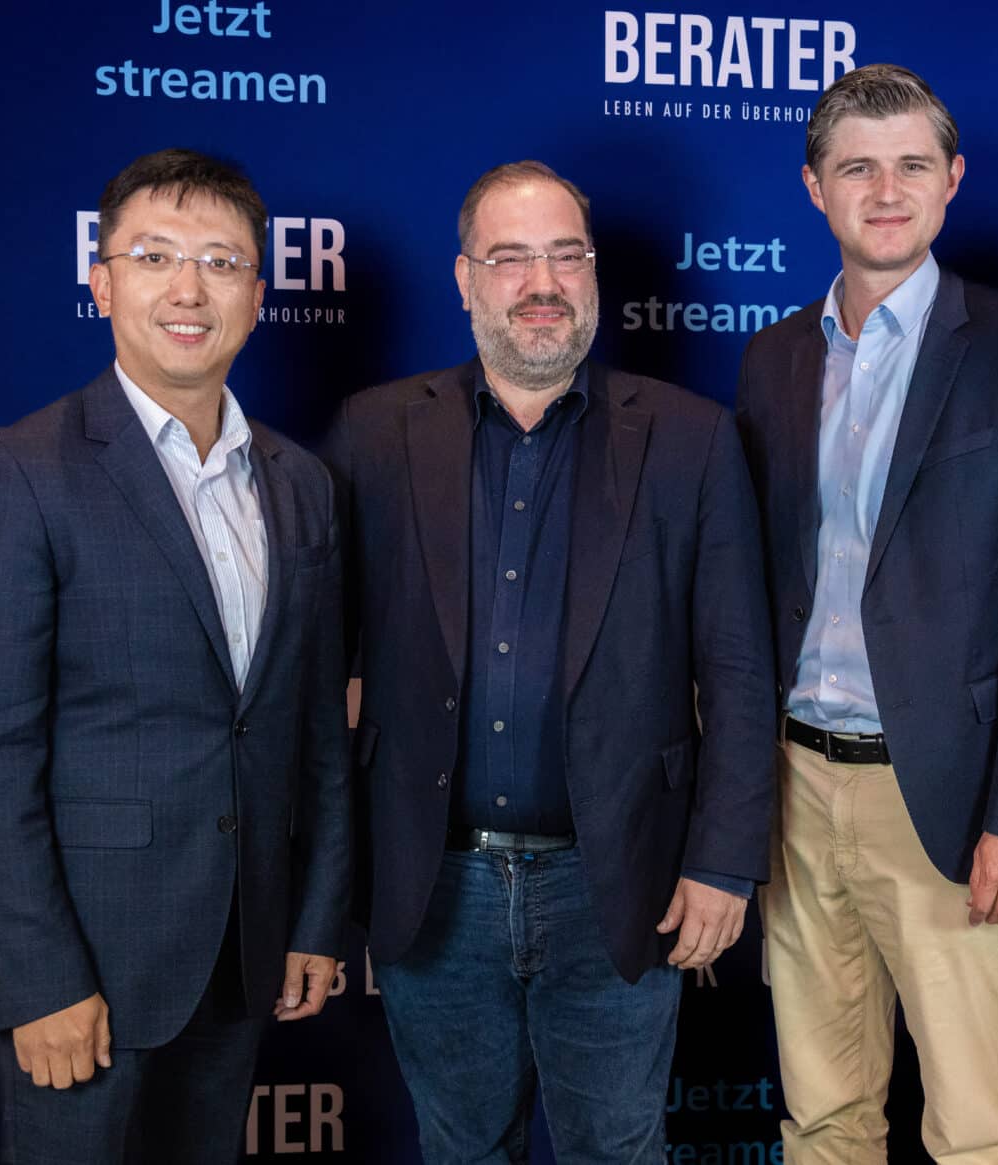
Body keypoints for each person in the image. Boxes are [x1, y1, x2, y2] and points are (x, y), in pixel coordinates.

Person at [321, 160, 776, 1164]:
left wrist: (722, 859)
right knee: (461, 1146)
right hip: (436, 885)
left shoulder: (691, 440)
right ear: (464, 278)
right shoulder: (374, 432)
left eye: (565, 255)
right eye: (511, 257)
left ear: (594, 273)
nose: (542, 282)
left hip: (616, 881)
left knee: (616, 1146)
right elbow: (319, 672)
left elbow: (739, 669)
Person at [0, 149, 351, 1163]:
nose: (189, 289)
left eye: (221, 260)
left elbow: (314, 731)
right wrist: (40, 980)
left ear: (257, 293)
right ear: (103, 280)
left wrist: (317, 917)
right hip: (83, 973)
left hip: (240, 955)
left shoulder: (301, 484)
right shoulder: (21, 471)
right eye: (156, 256)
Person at [735, 65, 998, 1164]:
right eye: (856, 167)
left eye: (908, 165)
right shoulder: (773, 357)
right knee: (825, 1117)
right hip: (795, 793)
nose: (884, 190)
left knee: (977, 1130)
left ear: (951, 181)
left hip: (942, 792)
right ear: (813, 187)